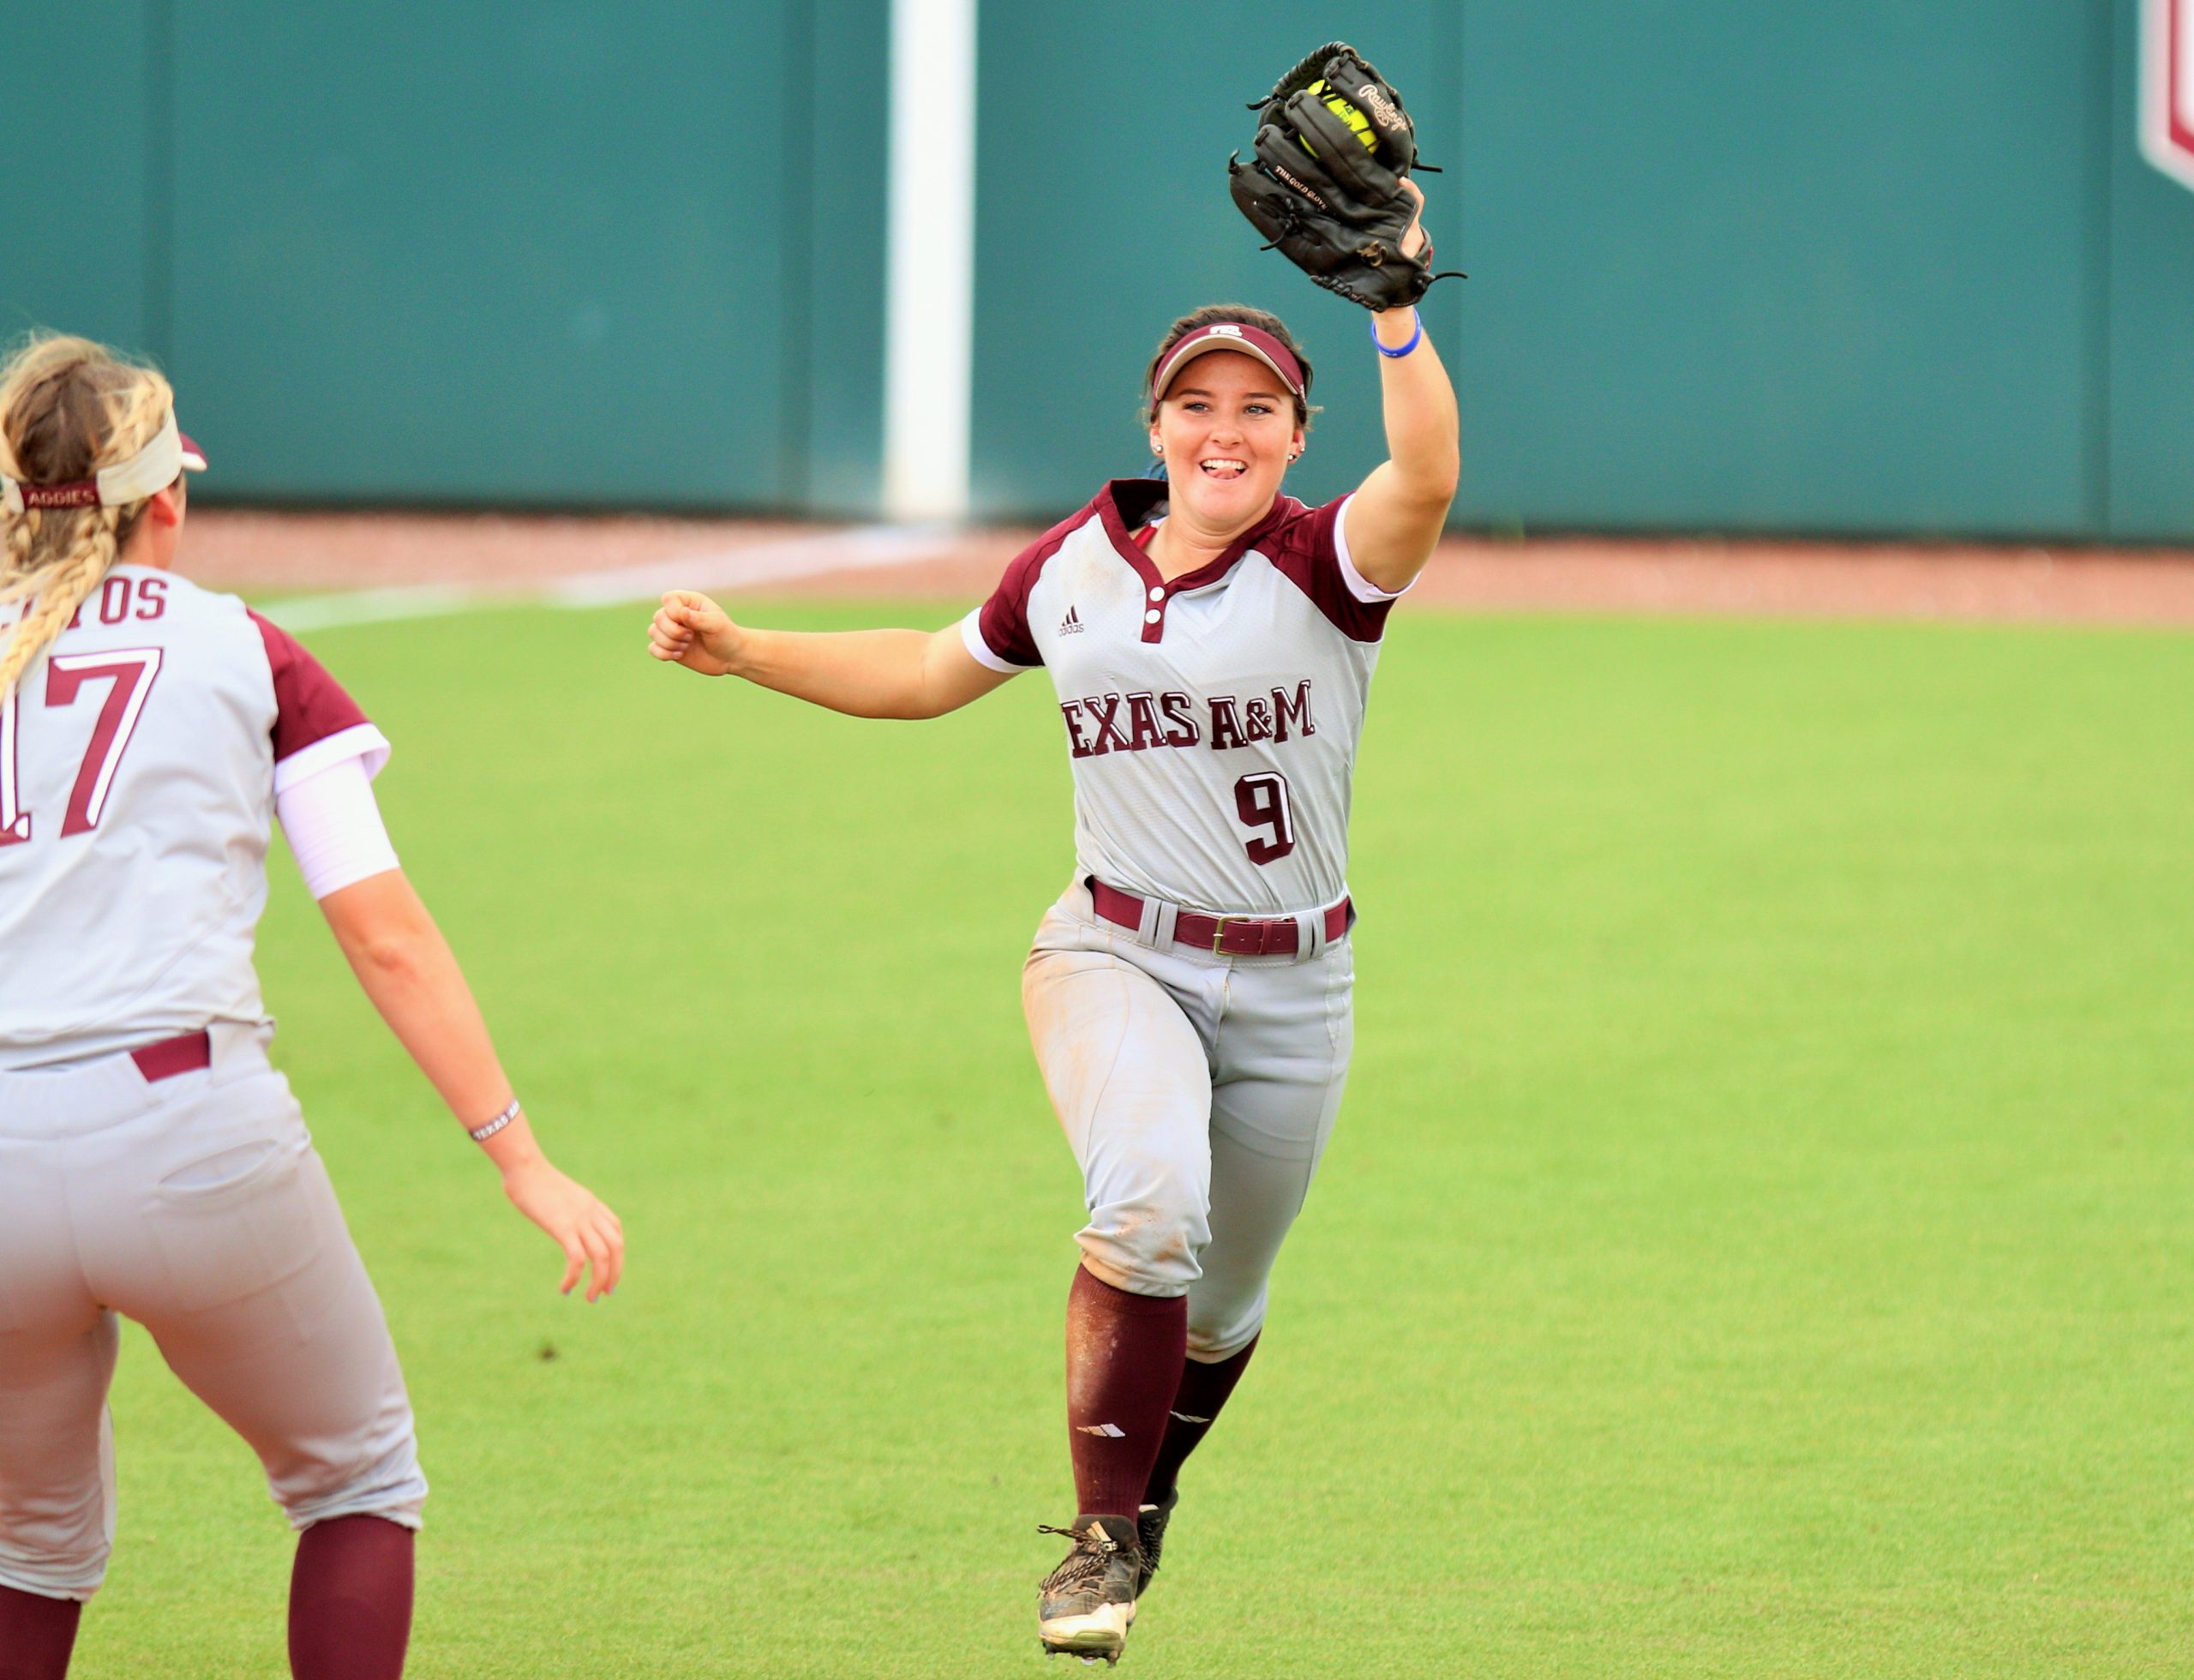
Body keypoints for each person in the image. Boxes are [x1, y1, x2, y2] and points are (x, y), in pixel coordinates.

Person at [648, 183, 1456, 1664]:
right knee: (1146, 1202)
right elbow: (928, 670)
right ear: (1153, 425)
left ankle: (1138, 1510)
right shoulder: (1070, 571)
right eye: (1195, 402)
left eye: (1259, 407)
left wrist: (1396, 306)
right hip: (1112, 950)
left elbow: (1433, 471)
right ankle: (1097, 1547)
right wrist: (746, 649)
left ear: (1297, 435)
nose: (1225, 429)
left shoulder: (1328, 567)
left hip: (1298, 985)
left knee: (1222, 1308)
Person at [0, 336, 625, 1680]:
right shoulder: (246, 650)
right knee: (353, 1482)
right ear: (168, 495)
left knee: (29, 1553)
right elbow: (382, 934)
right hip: (183, 1126)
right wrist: (517, 1153)